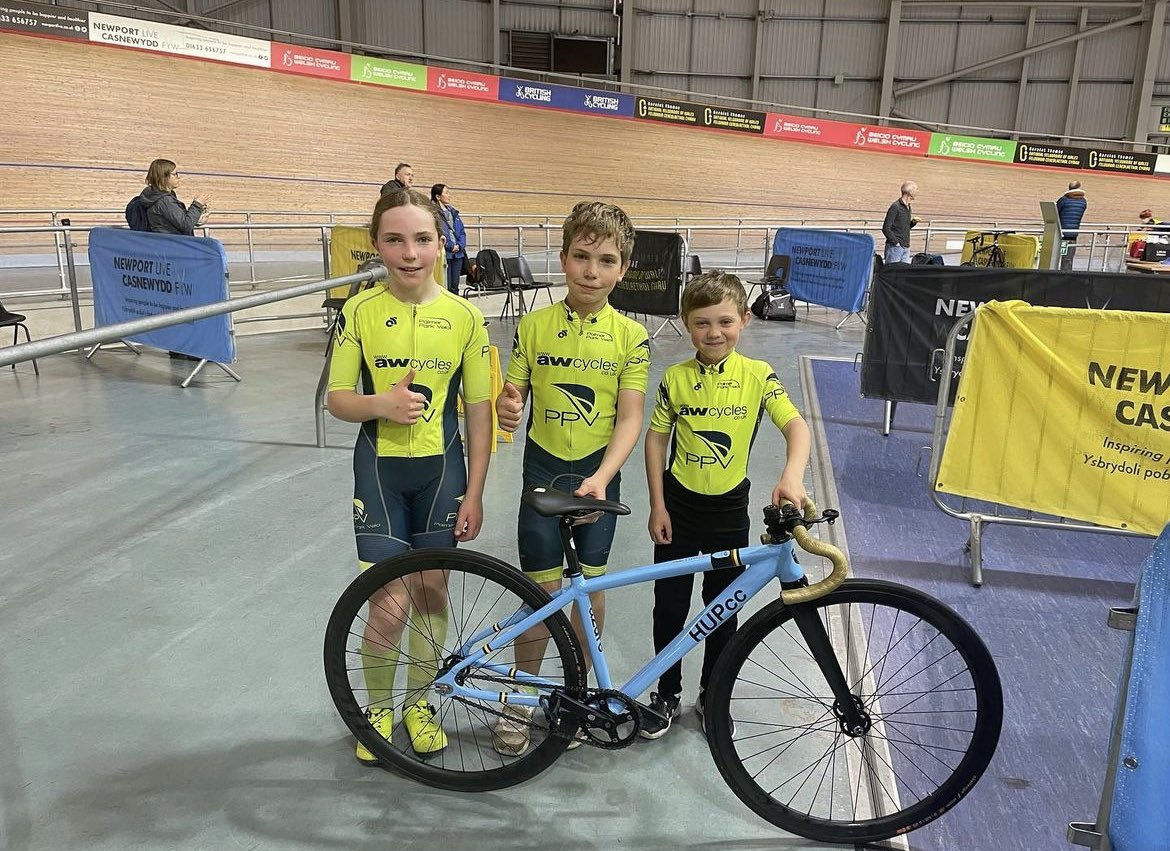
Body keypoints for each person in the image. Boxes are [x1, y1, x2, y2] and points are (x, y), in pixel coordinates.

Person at [326, 188, 493, 765]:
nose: (409, 252)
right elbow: (337, 399)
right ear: (376, 245)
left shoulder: (466, 317)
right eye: (394, 239)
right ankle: (378, 708)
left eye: (422, 238)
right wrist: (382, 407)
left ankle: (419, 703)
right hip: (379, 473)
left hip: (443, 474)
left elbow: (478, 410)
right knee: (387, 603)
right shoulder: (360, 311)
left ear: (441, 243)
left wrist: (474, 489)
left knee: (432, 590)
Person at [492, 201, 651, 755]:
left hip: (597, 477)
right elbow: (513, 395)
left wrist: (604, 477)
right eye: (581, 257)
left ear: (623, 269)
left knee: (590, 591)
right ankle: (520, 698)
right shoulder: (533, 327)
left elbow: (630, 415)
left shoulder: (632, 336)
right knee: (540, 591)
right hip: (543, 472)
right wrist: (507, 407)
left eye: (606, 260)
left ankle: (577, 693)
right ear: (562, 259)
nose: (591, 270)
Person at [639, 270, 810, 739]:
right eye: (702, 323)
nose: (714, 333)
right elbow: (656, 441)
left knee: (722, 609)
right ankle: (667, 693)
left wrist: (791, 475)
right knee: (668, 608)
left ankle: (714, 694)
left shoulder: (758, 375)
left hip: (729, 512)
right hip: (677, 507)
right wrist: (657, 504)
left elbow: (796, 426)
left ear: (745, 320)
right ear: (686, 323)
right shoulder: (674, 379)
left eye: (724, 322)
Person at [139, 158, 209, 236]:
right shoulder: (165, 201)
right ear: (164, 177)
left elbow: (174, 223)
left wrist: (196, 219)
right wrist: (197, 204)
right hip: (173, 244)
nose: (178, 177)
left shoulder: (157, 197)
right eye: (175, 174)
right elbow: (186, 225)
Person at [431, 183, 468, 295]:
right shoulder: (433, 213)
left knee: (455, 286)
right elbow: (437, 232)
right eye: (446, 193)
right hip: (445, 253)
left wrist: (460, 245)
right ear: (438, 196)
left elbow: (461, 231)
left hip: (458, 255)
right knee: (445, 286)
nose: (449, 195)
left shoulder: (453, 212)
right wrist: (450, 246)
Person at [881, 181, 919, 264]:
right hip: (895, 247)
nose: (917, 192)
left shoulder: (908, 207)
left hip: (906, 247)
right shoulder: (895, 206)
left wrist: (912, 223)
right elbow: (886, 228)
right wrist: (896, 243)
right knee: (891, 274)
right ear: (910, 191)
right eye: (916, 190)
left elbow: (903, 228)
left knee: (902, 274)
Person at [1056, 181, 1087, 271]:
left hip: (1060, 233)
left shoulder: (1063, 200)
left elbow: (1056, 212)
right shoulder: (1083, 202)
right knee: (1068, 259)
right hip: (1073, 233)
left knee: (1054, 257)